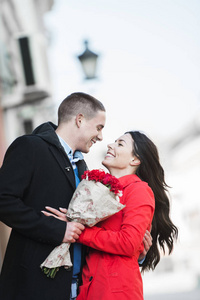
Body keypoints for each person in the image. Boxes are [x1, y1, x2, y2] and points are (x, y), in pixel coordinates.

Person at [45, 131, 178, 300]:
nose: (110, 145)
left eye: (120, 144)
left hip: (115, 291)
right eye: (114, 142)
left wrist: (78, 232)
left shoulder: (139, 190)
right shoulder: (100, 189)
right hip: (89, 287)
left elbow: (128, 242)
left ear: (135, 160)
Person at [0, 92, 106, 300]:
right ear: (80, 119)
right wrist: (57, 229)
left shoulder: (82, 165)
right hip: (34, 287)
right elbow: (3, 201)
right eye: (99, 127)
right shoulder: (30, 147)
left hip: (77, 288)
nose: (101, 136)